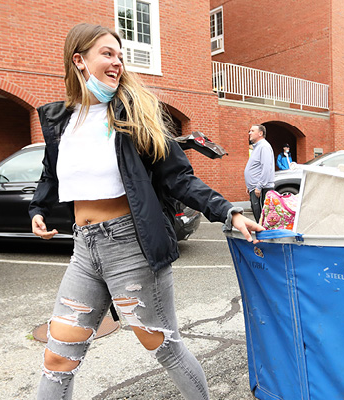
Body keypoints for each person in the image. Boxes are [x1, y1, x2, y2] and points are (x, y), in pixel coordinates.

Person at [30, 23, 263, 400]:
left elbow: (179, 178)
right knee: (59, 357)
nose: (117, 62)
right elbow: (50, 173)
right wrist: (38, 208)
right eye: (107, 53)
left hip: (130, 245)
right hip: (83, 249)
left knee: (165, 348)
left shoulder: (134, 113)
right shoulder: (61, 121)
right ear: (79, 60)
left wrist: (228, 211)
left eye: (120, 55)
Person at [244, 124, 275, 222]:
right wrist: (249, 185)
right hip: (254, 187)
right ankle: (262, 235)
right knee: (258, 217)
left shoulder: (264, 147)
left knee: (262, 218)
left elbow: (266, 168)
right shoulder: (257, 147)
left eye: (252, 131)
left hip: (261, 189)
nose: (249, 133)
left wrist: (259, 186)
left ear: (260, 133)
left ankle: (264, 236)